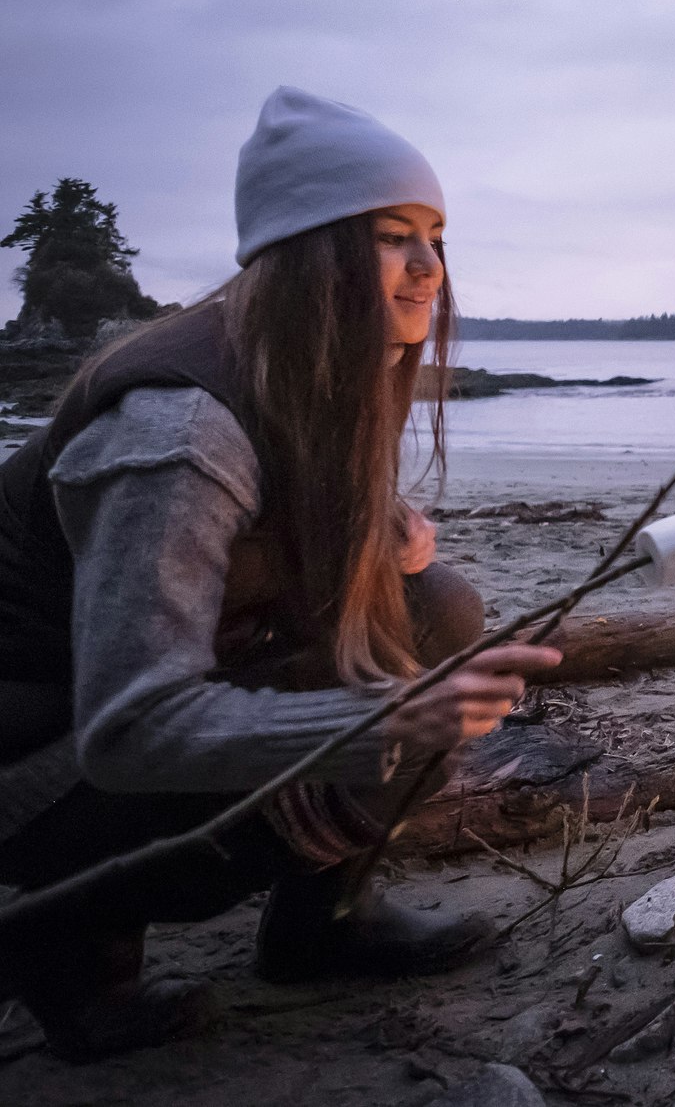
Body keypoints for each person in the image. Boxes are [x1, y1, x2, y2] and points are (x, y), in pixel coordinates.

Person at [0, 87, 560, 1061]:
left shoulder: (310, 369)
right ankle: (67, 945)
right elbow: (129, 729)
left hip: (98, 734)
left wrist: (371, 537)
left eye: (437, 236)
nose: (430, 267)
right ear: (313, 255)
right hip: (37, 768)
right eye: (393, 238)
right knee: (402, 678)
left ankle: (322, 920)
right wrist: (379, 723)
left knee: (438, 609)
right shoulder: (177, 432)